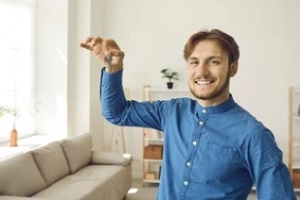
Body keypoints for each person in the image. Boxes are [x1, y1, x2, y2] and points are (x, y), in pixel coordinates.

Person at [80, 29, 297, 200]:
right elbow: (117, 113)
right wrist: (112, 68)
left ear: (233, 68)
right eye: (194, 62)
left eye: (214, 61)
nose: (201, 72)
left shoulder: (254, 135)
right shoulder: (172, 111)